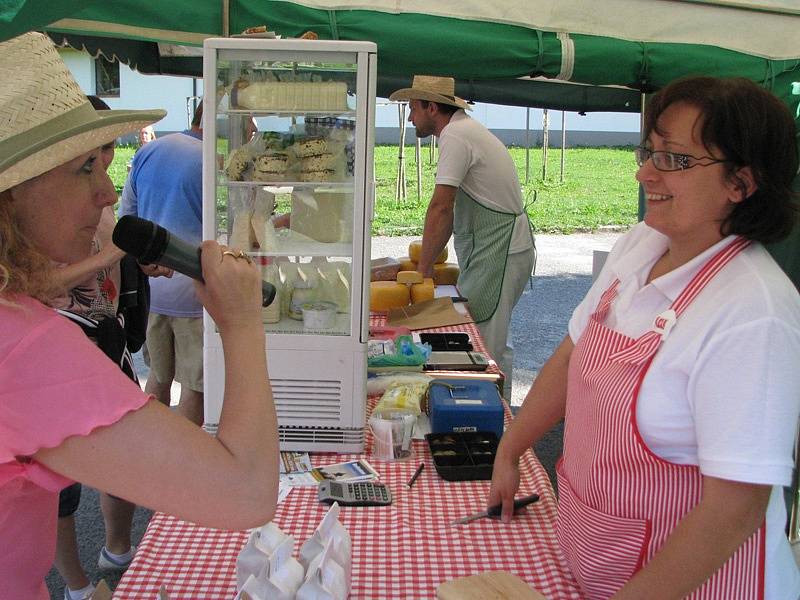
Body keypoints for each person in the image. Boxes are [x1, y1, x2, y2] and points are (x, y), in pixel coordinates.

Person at [489, 76, 800, 599]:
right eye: (648, 151)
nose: (644, 173)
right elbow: (573, 355)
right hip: (600, 557)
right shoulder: (644, 242)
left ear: (740, 184)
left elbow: (735, 508)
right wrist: (511, 448)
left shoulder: (754, 313)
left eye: (674, 159)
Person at [0, 32, 279, 600]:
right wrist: (243, 324)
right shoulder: (24, 344)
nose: (107, 193)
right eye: (84, 168)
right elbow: (245, 494)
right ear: (10, 194)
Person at [48, 95, 173, 599]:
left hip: (109, 344)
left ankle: (118, 547)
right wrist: (118, 254)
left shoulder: (101, 200)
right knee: (58, 482)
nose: (104, 164)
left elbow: (114, 255)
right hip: (56, 354)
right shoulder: (36, 209)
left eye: (108, 149)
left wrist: (139, 264)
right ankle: (75, 583)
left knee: (126, 455)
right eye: (90, 155)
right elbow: (28, 283)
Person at [389, 76, 536, 400]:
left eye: (413, 109)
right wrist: (425, 265)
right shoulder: (461, 131)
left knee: (482, 347)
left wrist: (424, 270)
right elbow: (448, 213)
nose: (411, 117)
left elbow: (441, 207)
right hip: (495, 251)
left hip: (501, 252)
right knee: (484, 338)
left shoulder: (456, 135)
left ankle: (489, 423)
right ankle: (488, 407)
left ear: (431, 107)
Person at [120, 102, 205, 424]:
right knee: (194, 389)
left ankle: (150, 456)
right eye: (247, 125)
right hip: (194, 291)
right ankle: (182, 465)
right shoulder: (211, 162)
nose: (250, 134)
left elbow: (127, 217)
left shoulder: (150, 150)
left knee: (157, 376)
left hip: (151, 288)